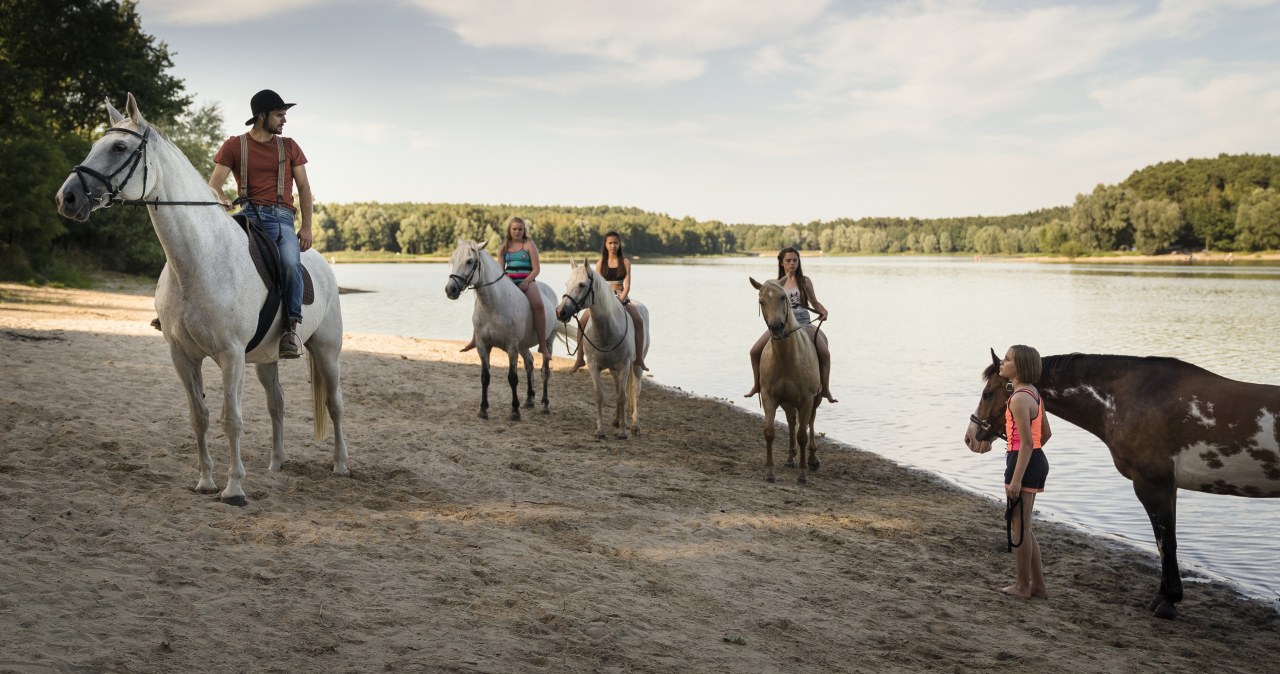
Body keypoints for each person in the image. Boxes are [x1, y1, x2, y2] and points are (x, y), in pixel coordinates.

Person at [207, 89, 313, 359]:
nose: (284, 121)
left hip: (281, 219)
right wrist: (222, 197)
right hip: (247, 216)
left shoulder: (289, 146)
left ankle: (290, 329)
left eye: (284, 115)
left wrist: (307, 227)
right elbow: (214, 184)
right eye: (279, 115)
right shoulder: (233, 145)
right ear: (261, 115)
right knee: (207, 247)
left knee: (290, 263)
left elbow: (303, 187)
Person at [744, 247, 836, 403]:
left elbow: (814, 302)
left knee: (825, 354)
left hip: (803, 323)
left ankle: (825, 389)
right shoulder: (775, 284)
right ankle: (758, 385)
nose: (792, 263)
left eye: (795, 260)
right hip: (782, 325)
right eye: (788, 260)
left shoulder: (804, 281)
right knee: (754, 351)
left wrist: (823, 311)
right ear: (781, 263)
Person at [998, 344, 1053, 600]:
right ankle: (1039, 586)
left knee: (1019, 526)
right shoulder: (1033, 394)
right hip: (1033, 459)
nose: (1002, 361)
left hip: (1023, 461)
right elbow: (1045, 434)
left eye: (1007, 359)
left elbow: (1028, 443)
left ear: (1019, 367)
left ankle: (1022, 586)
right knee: (1024, 525)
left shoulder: (1020, 398)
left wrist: (1017, 478)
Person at [461, 216, 551, 356]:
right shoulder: (503, 248)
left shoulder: (528, 245)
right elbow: (500, 270)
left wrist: (527, 281)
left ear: (524, 231)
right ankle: (474, 339)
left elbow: (536, 269)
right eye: (514, 229)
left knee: (539, 305)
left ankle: (543, 346)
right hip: (508, 281)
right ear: (509, 230)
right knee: (480, 301)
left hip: (526, 281)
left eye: (520, 229)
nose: (517, 232)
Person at [570, 231, 648, 373]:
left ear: (619, 244)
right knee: (582, 322)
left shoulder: (625, 262)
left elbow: (627, 285)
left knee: (638, 320)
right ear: (605, 245)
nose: (613, 246)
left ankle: (639, 359)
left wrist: (620, 299)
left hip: (621, 296)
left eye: (616, 243)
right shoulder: (600, 263)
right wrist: (605, 299)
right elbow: (598, 285)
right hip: (603, 299)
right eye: (610, 243)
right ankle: (580, 358)